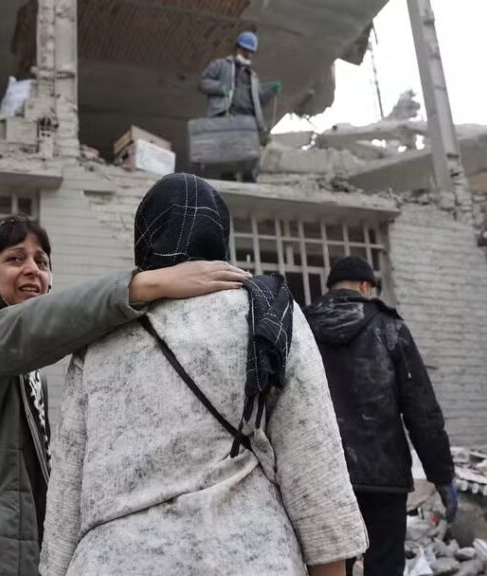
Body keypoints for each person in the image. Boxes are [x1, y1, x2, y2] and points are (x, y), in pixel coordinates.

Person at [0, 215, 250, 576]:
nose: (32, 269)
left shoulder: (28, 373)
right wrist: (147, 285)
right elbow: (36, 325)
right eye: (14, 259)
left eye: (42, 261)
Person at [40, 174, 367, 576]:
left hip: (114, 560)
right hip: (247, 556)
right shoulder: (266, 312)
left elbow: (67, 481)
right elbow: (312, 457)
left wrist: (54, 568)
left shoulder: (99, 336)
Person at [304, 256, 458, 576]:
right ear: (365, 287)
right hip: (384, 478)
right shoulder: (390, 328)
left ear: (330, 288)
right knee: (385, 566)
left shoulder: (299, 328)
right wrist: (442, 475)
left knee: (328, 568)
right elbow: (422, 410)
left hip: (321, 475)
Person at [198, 31, 281, 182]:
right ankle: (229, 181)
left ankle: (249, 184)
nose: (247, 54)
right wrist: (221, 88)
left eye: (250, 52)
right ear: (237, 48)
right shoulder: (221, 65)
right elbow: (203, 83)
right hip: (230, 116)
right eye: (245, 50)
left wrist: (271, 92)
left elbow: (259, 102)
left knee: (250, 158)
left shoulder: (253, 77)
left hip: (248, 120)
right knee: (229, 157)